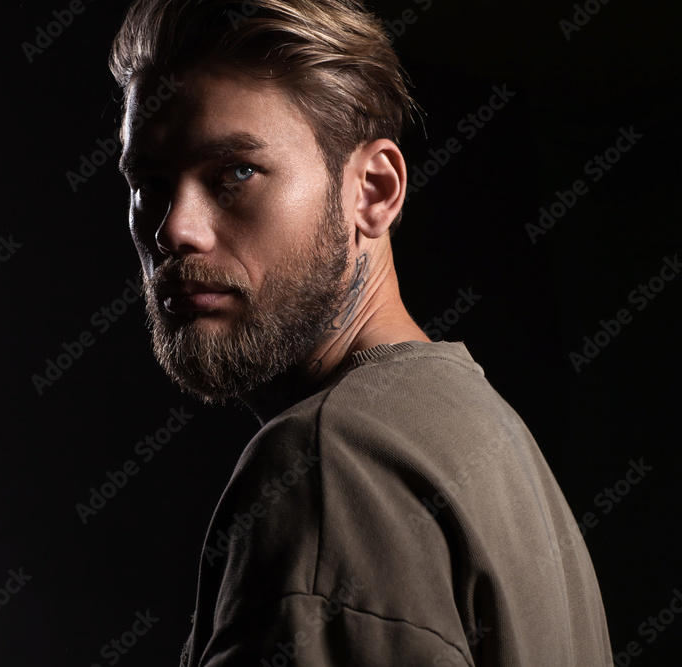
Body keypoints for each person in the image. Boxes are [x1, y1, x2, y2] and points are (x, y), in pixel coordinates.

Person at [108, 0, 614, 664]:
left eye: (235, 172)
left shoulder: (328, 464)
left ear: (373, 191)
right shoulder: (493, 441)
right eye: (149, 186)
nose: (175, 229)